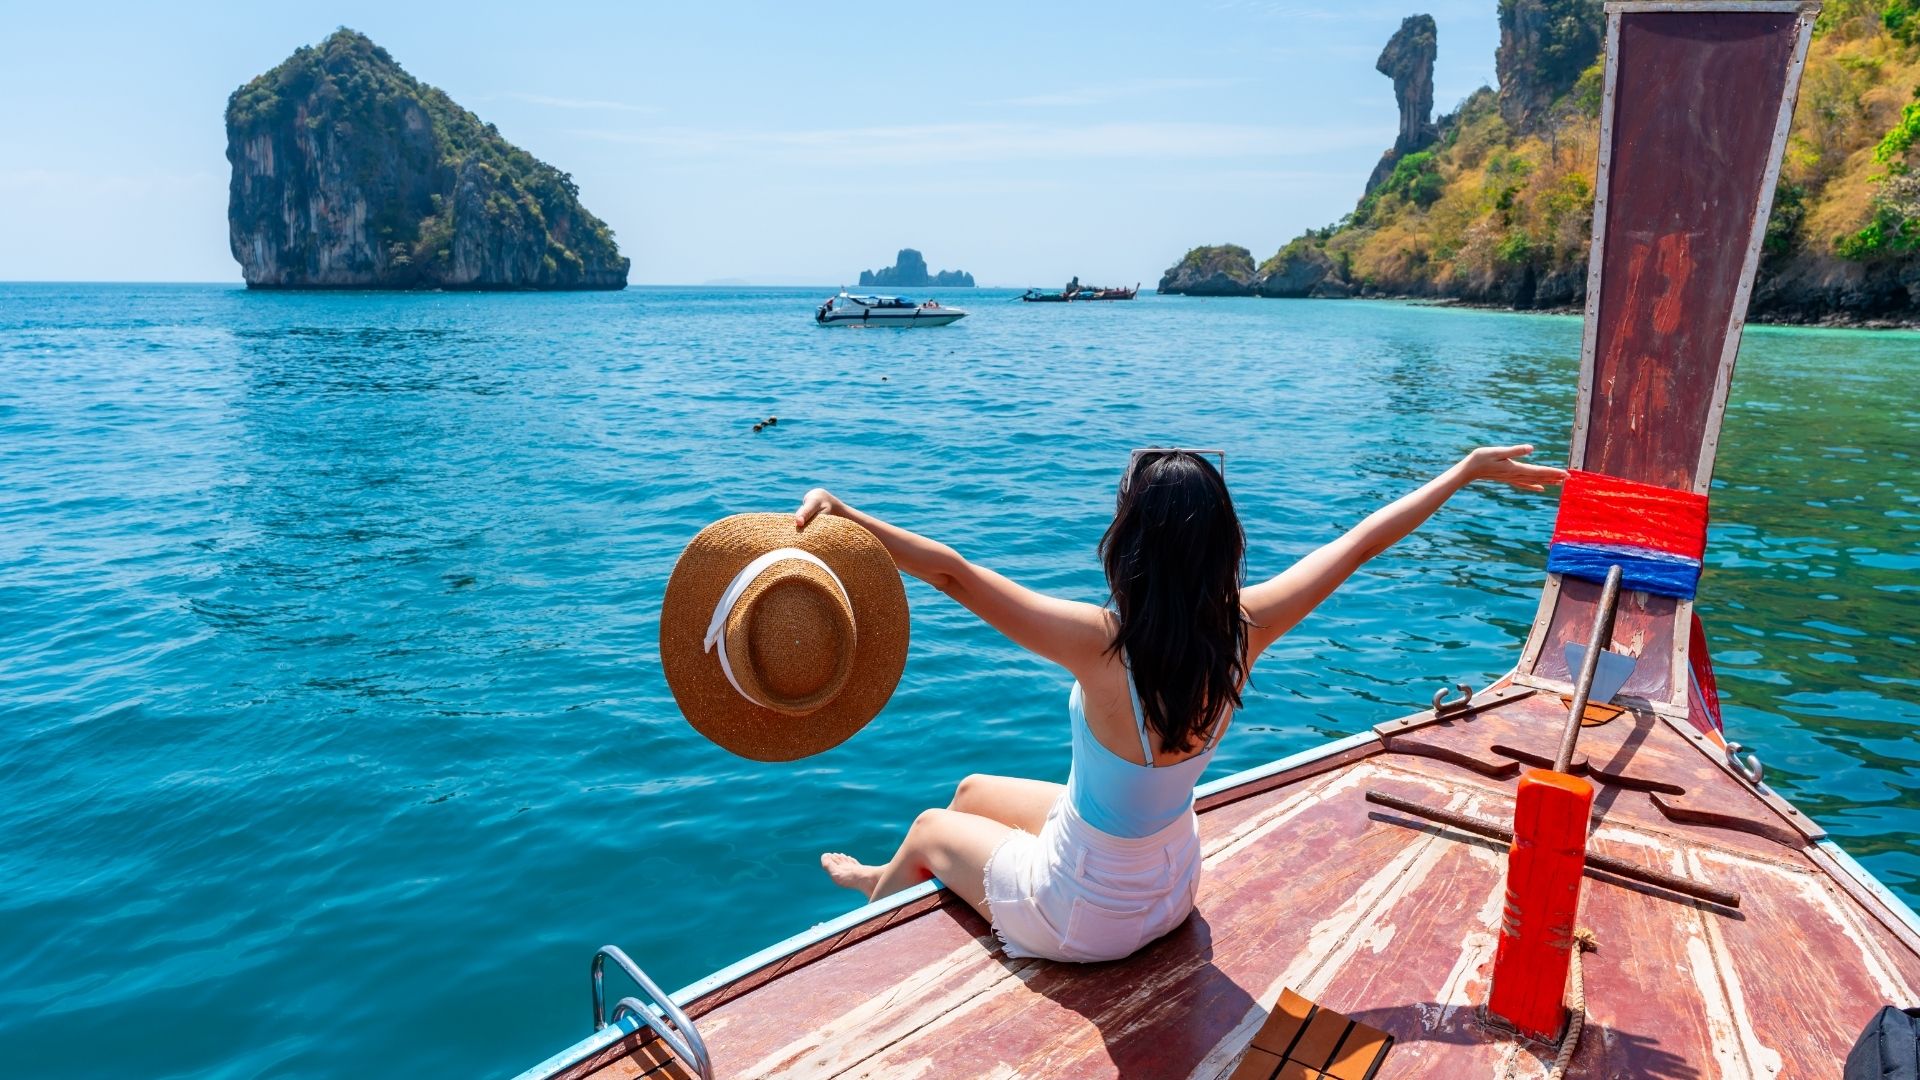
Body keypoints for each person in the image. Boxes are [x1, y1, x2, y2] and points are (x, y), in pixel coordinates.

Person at [797, 444, 1565, 963]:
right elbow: (1362, 543)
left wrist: (850, 517)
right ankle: (896, 873)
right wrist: (1464, 471)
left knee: (932, 826)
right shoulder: (1248, 626)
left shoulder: (1101, 645)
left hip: (1086, 917)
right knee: (972, 793)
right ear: (1220, 542)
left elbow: (955, 575)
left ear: (1131, 543)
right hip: (1171, 887)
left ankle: (876, 897)